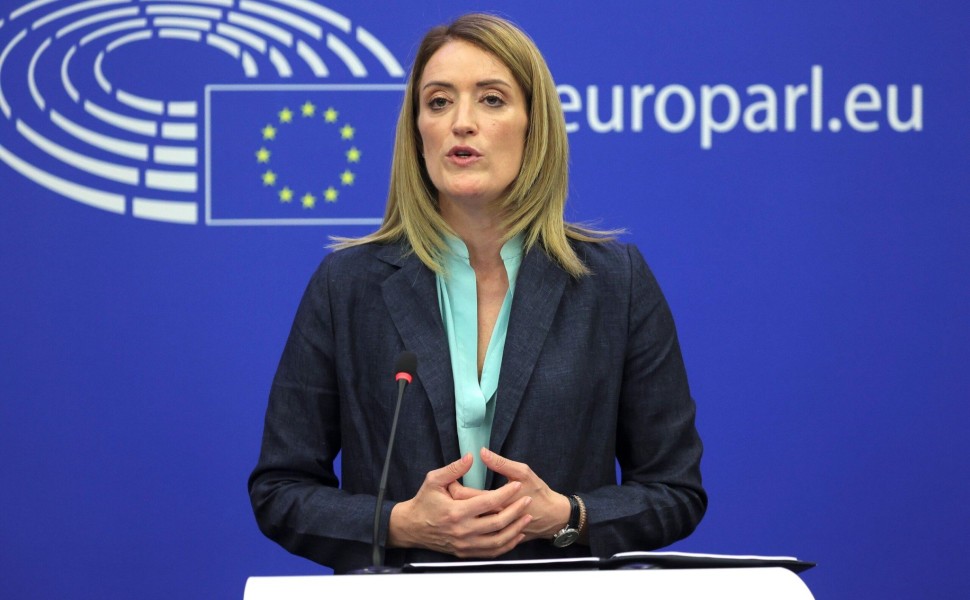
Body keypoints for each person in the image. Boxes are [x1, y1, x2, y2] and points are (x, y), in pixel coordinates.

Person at [248, 13, 705, 574]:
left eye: (491, 100)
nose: (461, 122)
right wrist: (399, 524)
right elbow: (281, 489)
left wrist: (567, 514)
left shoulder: (614, 283)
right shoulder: (348, 285)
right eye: (439, 102)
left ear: (534, 126)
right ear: (417, 130)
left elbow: (674, 491)